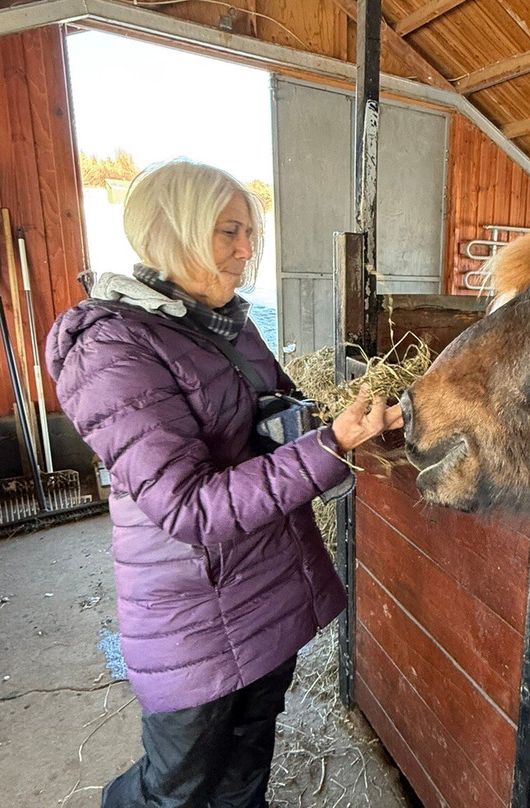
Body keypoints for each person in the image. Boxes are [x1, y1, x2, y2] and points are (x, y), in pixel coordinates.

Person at [47, 158, 402, 808]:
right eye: (228, 233)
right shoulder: (113, 348)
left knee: (248, 761)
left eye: (248, 234)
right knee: (177, 786)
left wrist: (352, 413)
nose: (247, 251)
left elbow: (280, 410)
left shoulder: (229, 324)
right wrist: (332, 446)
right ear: (171, 233)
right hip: (194, 613)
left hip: (266, 589)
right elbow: (186, 506)